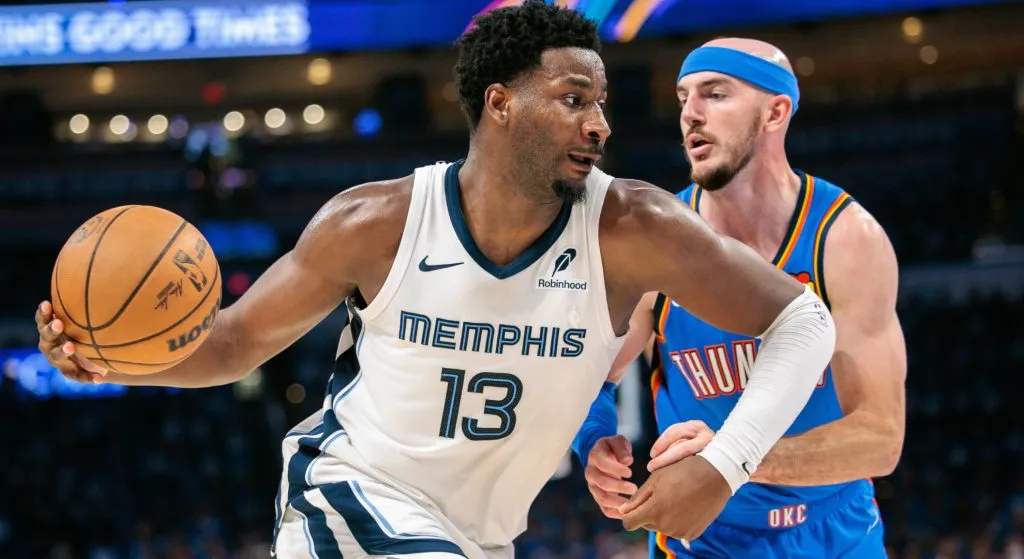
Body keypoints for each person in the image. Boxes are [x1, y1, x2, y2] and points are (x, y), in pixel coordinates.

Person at [34, 4, 836, 558]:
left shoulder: (632, 228)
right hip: (347, 497)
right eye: (572, 99)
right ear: (501, 104)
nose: (600, 123)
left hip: (476, 535)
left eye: (602, 103)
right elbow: (236, 339)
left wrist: (726, 462)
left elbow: (804, 323)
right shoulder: (375, 222)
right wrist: (113, 358)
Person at [573, 38, 907, 557]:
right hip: (707, 538)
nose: (691, 115)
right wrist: (594, 439)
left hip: (835, 531)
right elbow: (587, 374)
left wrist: (727, 459)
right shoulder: (658, 243)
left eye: (715, 94)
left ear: (775, 112)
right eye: (684, 97)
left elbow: (881, 439)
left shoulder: (845, 239)